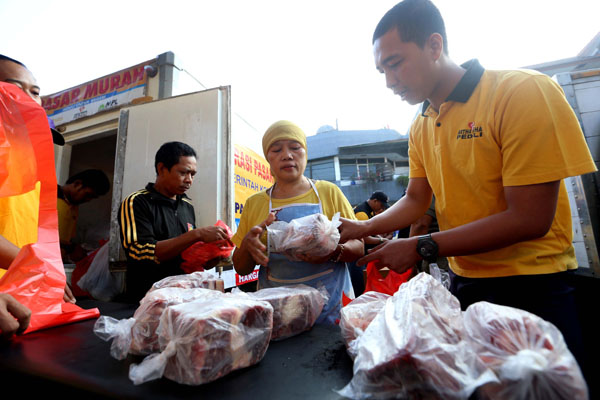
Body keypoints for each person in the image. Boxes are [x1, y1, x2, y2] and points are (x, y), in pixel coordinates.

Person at [338, 0, 596, 366]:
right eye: (382, 70)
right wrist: (365, 225)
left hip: (534, 286)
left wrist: (422, 246)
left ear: (434, 45)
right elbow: (415, 199)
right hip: (465, 285)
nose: (389, 81)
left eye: (395, 64)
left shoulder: (520, 93)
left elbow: (530, 217)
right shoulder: (422, 124)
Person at [232, 120, 364, 324]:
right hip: (279, 311)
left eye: (295, 148)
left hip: (332, 305)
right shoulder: (255, 203)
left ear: (305, 153)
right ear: (268, 157)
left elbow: (359, 247)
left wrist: (332, 251)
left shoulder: (328, 192)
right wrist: (247, 247)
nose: (287, 155)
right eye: (276, 150)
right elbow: (241, 268)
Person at [0, 54, 74, 304]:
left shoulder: (30, 167)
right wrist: (37, 267)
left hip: (22, 297)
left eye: (35, 91)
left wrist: (43, 271)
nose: (28, 98)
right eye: (14, 87)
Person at [118, 141, 229, 301]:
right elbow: (139, 252)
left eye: (193, 175)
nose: (189, 180)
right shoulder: (136, 202)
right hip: (148, 299)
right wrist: (196, 234)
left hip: (183, 296)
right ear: (161, 168)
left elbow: (186, 254)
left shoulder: (187, 205)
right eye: (183, 173)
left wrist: (209, 257)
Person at [58, 169, 110, 262]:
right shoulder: (47, 196)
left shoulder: (73, 207)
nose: (88, 200)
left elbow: (64, 238)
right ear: (77, 184)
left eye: (92, 198)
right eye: (87, 195)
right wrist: (72, 248)